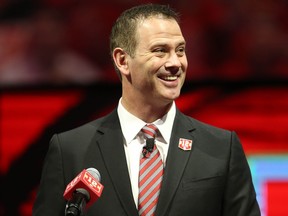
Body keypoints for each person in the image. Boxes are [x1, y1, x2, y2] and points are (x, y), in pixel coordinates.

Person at [33, 3, 260, 216]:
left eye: (180, 50)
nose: (175, 63)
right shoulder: (70, 150)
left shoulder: (221, 148)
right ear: (122, 60)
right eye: (160, 51)